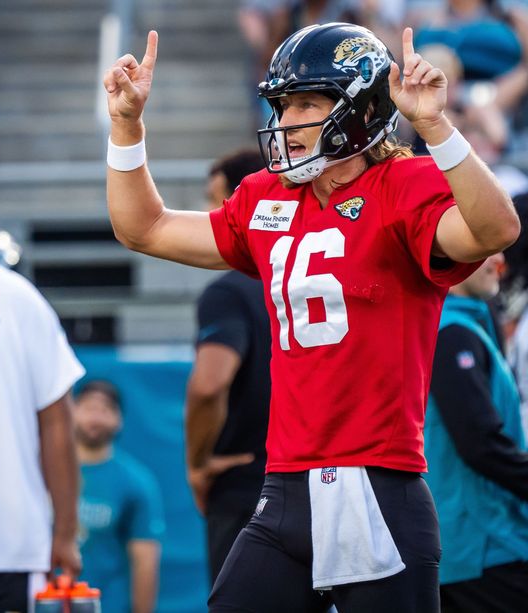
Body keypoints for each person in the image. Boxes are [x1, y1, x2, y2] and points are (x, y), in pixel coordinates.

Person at [102, 21, 519, 612]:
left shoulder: (404, 185)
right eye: (281, 103)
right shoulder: (267, 196)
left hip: (379, 487)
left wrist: (435, 126)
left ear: (361, 112)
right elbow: (143, 228)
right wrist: (126, 126)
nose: (287, 121)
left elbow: (496, 229)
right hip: (286, 487)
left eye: (305, 103)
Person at [0, 188, 85, 612]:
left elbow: (57, 424)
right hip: (12, 540)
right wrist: (66, 533)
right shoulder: (21, 296)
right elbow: (57, 423)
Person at [425, 252, 528, 612]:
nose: (497, 258)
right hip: (479, 545)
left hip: (476, 542)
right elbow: (479, 443)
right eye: (484, 246)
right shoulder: (450, 332)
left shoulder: (463, 327)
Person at [186, 148, 270, 586]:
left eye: (214, 200)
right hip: (330, 476)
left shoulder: (229, 291)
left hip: (247, 484)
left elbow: (208, 385)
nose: (206, 213)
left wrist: (197, 461)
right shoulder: (313, 269)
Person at [73, 380, 164, 613]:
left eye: (105, 410)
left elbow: (145, 561)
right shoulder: (45, 471)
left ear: (119, 420)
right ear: (71, 412)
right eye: (88, 408)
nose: (95, 417)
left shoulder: (136, 482)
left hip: (107, 605)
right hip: (50, 602)